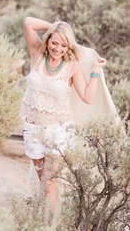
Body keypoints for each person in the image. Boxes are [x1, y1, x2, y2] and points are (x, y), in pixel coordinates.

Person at [20, 16, 113, 210]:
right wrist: (56, 26)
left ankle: (49, 223)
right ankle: (49, 217)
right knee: (44, 185)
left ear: (69, 47)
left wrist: (95, 71)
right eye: (54, 42)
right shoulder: (36, 54)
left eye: (64, 45)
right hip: (33, 129)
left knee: (49, 183)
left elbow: (87, 96)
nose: (58, 49)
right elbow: (29, 22)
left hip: (57, 131)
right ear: (48, 40)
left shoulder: (72, 66)